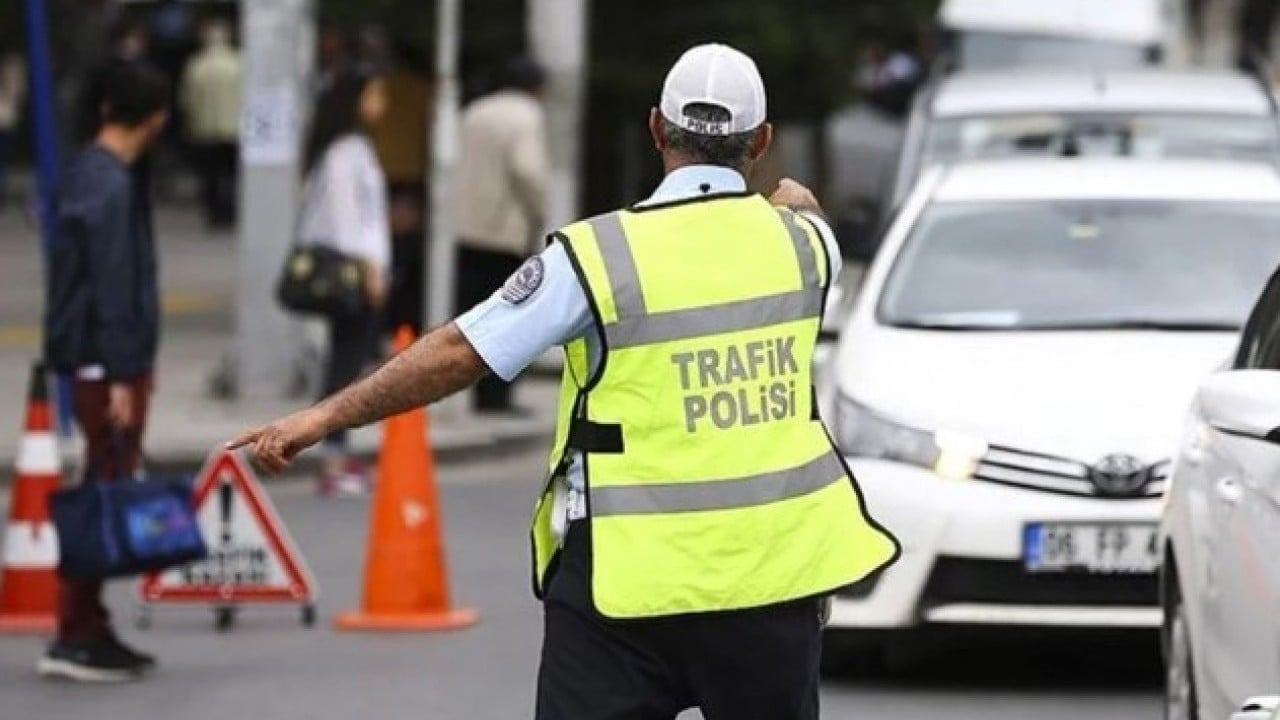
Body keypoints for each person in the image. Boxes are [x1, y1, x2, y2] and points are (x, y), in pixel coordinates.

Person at [231, 43, 899, 719]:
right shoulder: (807, 247)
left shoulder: (596, 256)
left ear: (656, 129)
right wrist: (793, 200)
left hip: (624, 590)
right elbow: (806, 209)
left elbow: (461, 352)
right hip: (771, 585)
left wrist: (321, 419)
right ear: (762, 140)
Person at [41, 60, 169, 683]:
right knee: (102, 491)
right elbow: (113, 286)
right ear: (156, 119)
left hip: (97, 360)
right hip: (105, 365)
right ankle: (76, 631)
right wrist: (124, 373)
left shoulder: (88, 173)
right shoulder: (111, 185)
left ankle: (88, 624)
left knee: (103, 483)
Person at [295, 71, 391, 497]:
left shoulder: (354, 148)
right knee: (344, 365)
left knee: (349, 362)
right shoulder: (343, 153)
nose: (382, 102)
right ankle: (331, 455)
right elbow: (346, 220)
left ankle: (337, 450)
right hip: (352, 274)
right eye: (375, 93)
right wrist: (370, 270)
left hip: (361, 271)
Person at [454, 55, 549, 413]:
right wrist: (538, 212)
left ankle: (477, 393)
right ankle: (498, 397)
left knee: (474, 315)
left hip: (465, 227)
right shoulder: (526, 115)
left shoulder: (474, 112)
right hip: (504, 230)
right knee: (510, 316)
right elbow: (527, 169)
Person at [180, 20, 242, 230]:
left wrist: (191, 124)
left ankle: (214, 212)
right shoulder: (239, 64)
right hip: (234, 128)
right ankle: (230, 212)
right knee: (232, 174)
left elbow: (188, 100)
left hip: (205, 129)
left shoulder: (197, 65)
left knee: (211, 175)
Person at [0, 52, 25, 209]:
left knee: (3, 161)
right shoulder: (13, 67)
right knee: (3, 161)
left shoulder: (12, 66)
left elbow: (17, 94)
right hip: (7, 120)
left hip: (6, 120)